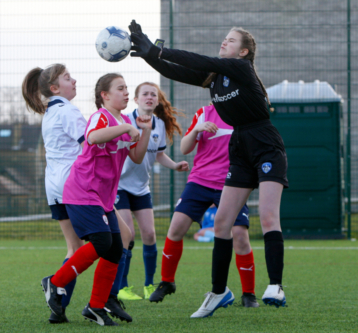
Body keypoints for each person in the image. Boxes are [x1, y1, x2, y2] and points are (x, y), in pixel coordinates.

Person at [129, 21, 288, 318]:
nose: (222, 43)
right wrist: (151, 56)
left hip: (265, 144)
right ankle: (218, 292)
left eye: (229, 41)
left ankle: (275, 285)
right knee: (220, 225)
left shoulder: (242, 68)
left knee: (267, 217)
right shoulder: (216, 78)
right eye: (223, 39)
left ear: (243, 52)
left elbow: (201, 60)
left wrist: (158, 48)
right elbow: (176, 71)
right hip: (240, 148)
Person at [40, 72, 152, 326]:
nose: (126, 92)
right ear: (105, 95)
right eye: (120, 88)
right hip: (81, 191)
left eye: (126, 88)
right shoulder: (99, 118)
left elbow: (136, 156)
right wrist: (126, 127)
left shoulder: (124, 120)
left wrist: (144, 131)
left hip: (102, 196)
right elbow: (92, 138)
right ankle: (54, 283)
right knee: (102, 242)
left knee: (115, 249)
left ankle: (96, 306)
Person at [149, 104, 259, 308]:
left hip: (232, 182)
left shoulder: (246, 112)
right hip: (200, 180)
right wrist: (197, 129)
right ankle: (167, 282)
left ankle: (249, 294)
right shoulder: (204, 112)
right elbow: (184, 148)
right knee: (176, 227)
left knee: (241, 236)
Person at [22, 64, 86, 324]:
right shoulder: (69, 111)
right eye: (68, 78)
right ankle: (103, 302)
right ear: (54, 88)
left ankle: (58, 304)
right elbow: (91, 147)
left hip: (55, 187)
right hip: (76, 186)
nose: (75, 80)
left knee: (75, 247)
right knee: (118, 239)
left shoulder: (49, 112)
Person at [114, 82, 189, 301]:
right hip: (119, 186)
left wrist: (175, 165)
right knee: (128, 237)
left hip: (141, 188)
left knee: (150, 234)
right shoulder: (125, 121)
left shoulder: (159, 125)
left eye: (153, 95)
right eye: (145, 94)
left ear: (157, 100)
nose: (149, 97)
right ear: (136, 99)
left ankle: (149, 284)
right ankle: (123, 287)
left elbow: (158, 154)